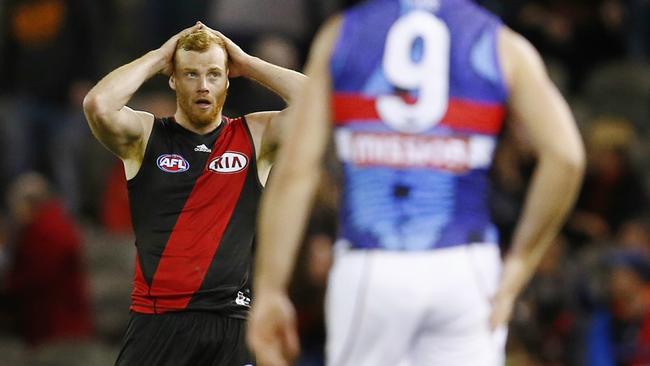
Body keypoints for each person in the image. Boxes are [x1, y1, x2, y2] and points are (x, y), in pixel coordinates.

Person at [247, 0, 585, 365]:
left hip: (373, 264)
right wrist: (519, 265)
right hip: (465, 266)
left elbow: (297, 171)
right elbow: (566, 157)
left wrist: (270, 290)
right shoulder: (500, 41)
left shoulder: (343, 34)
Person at [83, 22, 306, 365]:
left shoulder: (254, 135)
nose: (203, 86)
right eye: (190, 74)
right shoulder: (145, 137)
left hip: (231, 326)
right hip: (157, 323)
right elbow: (98, 104)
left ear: (229, 79)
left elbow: (318, 104)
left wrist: (247, 62)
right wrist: (159, 56)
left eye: (214, 74)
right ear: (172, 78)